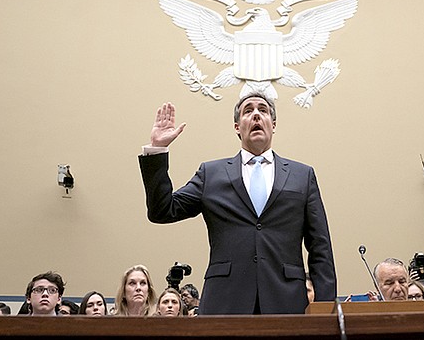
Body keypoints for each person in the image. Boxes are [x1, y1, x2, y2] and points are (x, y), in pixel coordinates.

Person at [138, 93, 336, 315]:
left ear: (274, 124)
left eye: (263, 110)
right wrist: (157, 149)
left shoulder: (302, 175)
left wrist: (325, 306)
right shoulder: (211, 174)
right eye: (248, 111)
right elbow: (162, 211)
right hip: (225, 301)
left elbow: (320, 247)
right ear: (237, 126)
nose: (256, 116)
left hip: (286, 301)